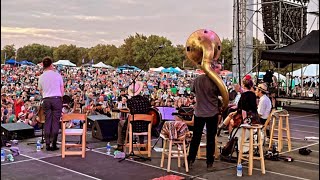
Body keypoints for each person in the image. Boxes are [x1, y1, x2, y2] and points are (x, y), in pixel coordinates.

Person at [187, 62, 222, 171]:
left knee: (196, 138)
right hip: (212, 112)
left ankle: (190, 160)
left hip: (199, 112)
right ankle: (209, 163)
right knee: (210, 138)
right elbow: (223, 94)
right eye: (218, 69)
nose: (219, 72)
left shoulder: (197, 79)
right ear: (213, 68)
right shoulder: (217, 81)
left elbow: (192, 90)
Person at [115, 81, 151, 151]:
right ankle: (142, 144)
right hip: (146, 126)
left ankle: (120, 144)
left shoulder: (130, 101)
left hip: (134, 126)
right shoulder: (146, 100)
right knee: (141, 121)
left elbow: (131, 111)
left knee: (121, 123)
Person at [38, 57, 64, 151]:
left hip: (46, 99)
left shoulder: (41, 77)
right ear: (51, 65)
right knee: (55, 122)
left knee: (47, 121)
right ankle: (54, 143)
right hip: (56, 99)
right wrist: (60, 99)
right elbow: (62, 89)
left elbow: (40, 90)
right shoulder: (57, 75)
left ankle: (47, 144)